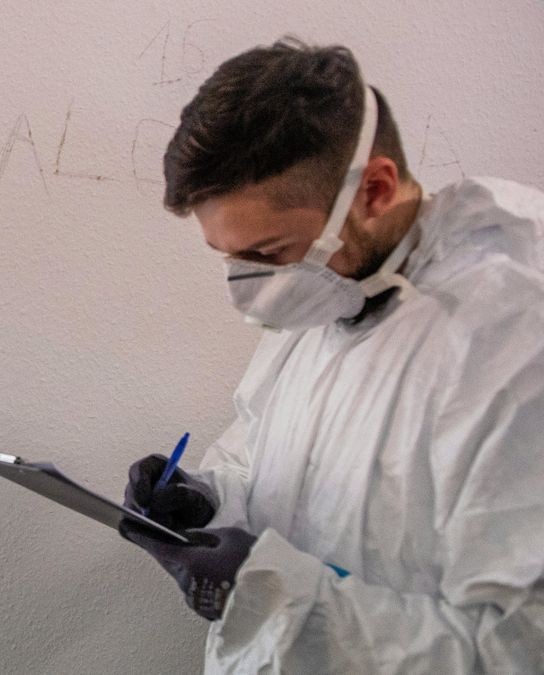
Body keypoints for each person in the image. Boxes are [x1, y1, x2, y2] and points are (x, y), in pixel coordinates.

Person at [119, 39, 544, 672]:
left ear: (374, 189)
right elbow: (269, 462)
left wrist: (268, 596)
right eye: (229, 255)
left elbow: (516, 650)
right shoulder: (333, 288)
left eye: (268, 251)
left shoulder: (511, 343)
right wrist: (205, 503)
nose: (248, 284)